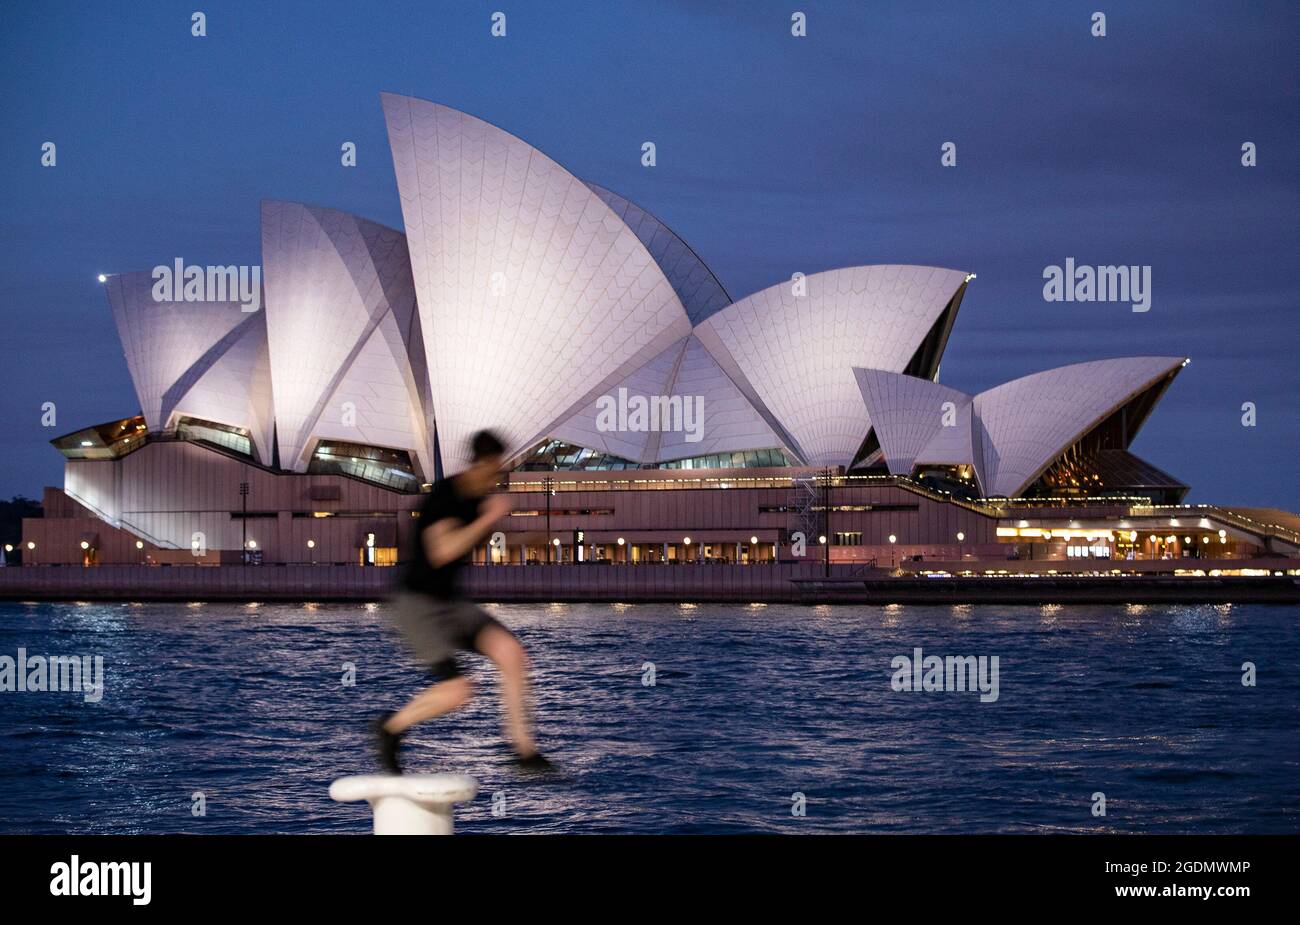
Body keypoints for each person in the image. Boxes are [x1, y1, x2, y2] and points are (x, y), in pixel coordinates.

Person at [373, 429, 548, 772]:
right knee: (459, 692)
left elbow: (476, 541)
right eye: (496, 471)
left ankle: (524, 753)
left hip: (451, 602)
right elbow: (442, 551)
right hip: (417, 604)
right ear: (482, 465)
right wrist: (490, 516)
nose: (497, 481)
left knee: (511, 653)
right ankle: (389, 728)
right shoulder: (446, 495)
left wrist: (527, 538)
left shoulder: (475, 503)